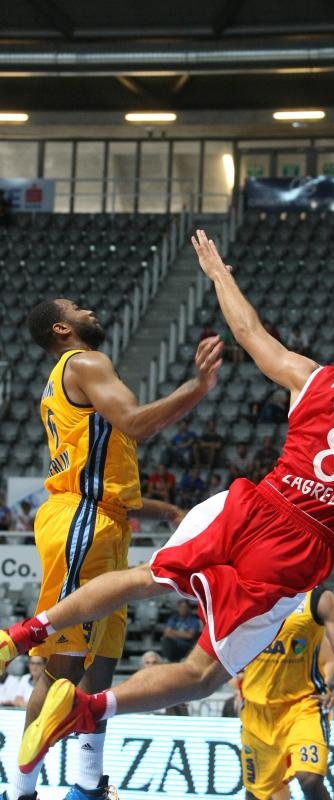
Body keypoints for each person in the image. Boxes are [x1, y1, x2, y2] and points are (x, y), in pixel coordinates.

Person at [0, 241, 334, 774]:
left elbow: (248, 332)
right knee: (202, 674)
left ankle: (21, 634)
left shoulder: (308, 375)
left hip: (251, 503)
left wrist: (219, 273)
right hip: (296, 545)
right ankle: (88, 708)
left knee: (146, 577)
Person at [0, 297, 222, 800]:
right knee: (64, 666)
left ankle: (85, 785)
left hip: (103, 519)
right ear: (62, 328)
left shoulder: (68, 376)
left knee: (100, 667)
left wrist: (163, 512)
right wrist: (196, 387)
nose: (89, 312)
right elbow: (138, 422)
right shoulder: (85, 361)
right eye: (77, 309)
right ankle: (20, 790)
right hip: (82, 519)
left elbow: (103, 477)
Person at [239, 586, 334, 800]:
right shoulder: (248, 591)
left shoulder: (320, 599)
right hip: (258, 710)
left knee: (309, 778)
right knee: (257, 792)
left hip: (303, 704)